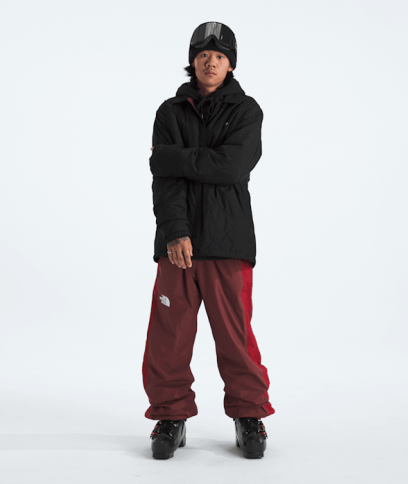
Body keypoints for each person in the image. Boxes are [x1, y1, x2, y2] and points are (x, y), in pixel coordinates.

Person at [142, 21, 275, 459]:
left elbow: (232, 167)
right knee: (169, 337)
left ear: (230, 63)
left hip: (227, 240)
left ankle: (248, 414)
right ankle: (170, 417)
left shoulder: (247, 111)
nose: (211, 62)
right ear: (193, 61)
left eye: (219, 56)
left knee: (235, 336)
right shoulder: (169, 112)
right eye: (203, 55)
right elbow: (165, 182)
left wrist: (173, 158)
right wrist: (176, 231)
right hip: (176, 245)